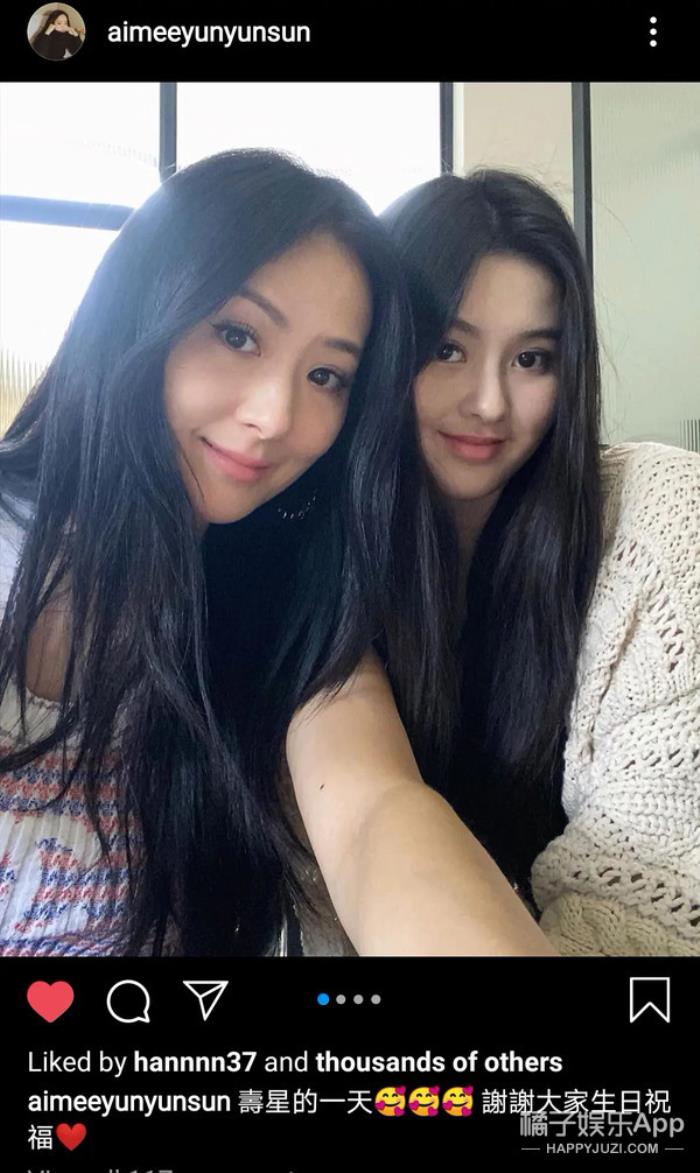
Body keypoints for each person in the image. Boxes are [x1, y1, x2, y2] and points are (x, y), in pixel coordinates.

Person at [0, 149, 554, 958]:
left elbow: (374, 813)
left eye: (327, 375)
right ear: (139, 311)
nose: (275, 414)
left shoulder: (287, 594)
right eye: (237, 334)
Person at [382, 168, 700, 956]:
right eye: (448, 348)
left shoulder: (660, 524)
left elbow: (653, 912)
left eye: (531, 359)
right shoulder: (325, 561)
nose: (489, 401)